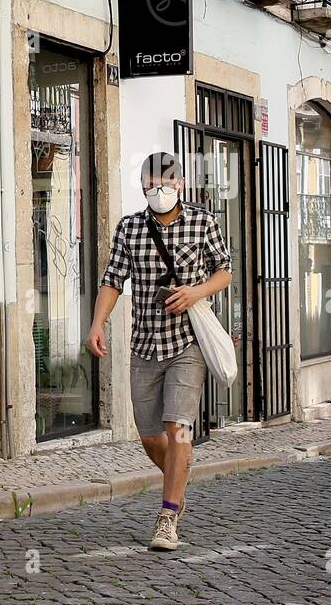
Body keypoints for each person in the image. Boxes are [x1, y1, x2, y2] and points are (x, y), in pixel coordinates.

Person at [87, 152, 232, 551]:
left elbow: (225, 270)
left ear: (181, 184)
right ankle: (179, 471)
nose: (158, 190)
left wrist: (195, 292)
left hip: (188, 343)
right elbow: (113, 279)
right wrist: (98, 323)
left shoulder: (203, 221)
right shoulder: (130, 228)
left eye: (166, 183)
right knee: (151, 437)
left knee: (178, 426)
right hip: (145, 344)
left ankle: (168, 516)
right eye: (150, 184)